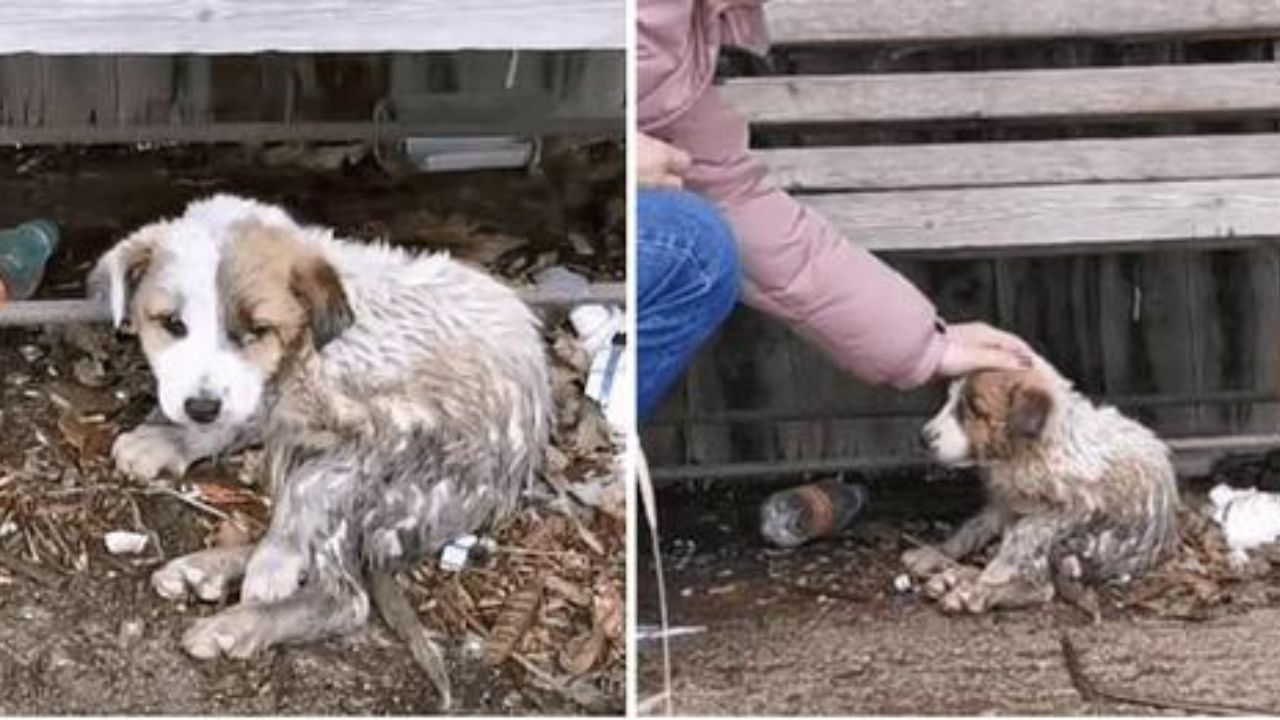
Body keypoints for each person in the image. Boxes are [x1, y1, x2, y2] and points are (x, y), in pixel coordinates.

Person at [636, 0, 1031, 420]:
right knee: (692, 245)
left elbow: (735, 202)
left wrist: (924, 346)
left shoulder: (678, 39)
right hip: (568, 215)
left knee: (697, 242)